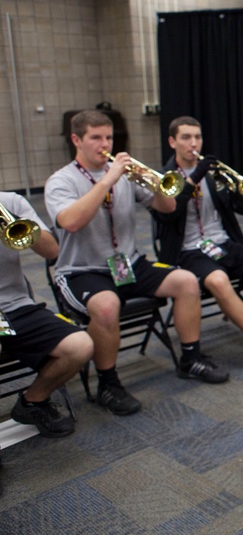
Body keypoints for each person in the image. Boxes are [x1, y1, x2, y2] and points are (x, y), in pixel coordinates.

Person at [45, 110, 228, 417]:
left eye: (109, 137)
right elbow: (71, 222)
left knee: (185, 281)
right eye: (96, 138)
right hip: (82, 270)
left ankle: (190, 358)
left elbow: (168, 207)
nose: (105, 144)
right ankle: (108, 383)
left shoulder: (123, 175)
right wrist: (110, 178)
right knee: (105, 307)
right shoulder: (60, 181)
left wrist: (154, 182)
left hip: (128, 263)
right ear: (76, 140)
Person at [154, 116, 243, 373]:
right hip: (188, 252)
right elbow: (168, 215)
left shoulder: (211, 172)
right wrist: (194, 178)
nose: (193, 143)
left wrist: (233, 187)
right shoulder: (164, 178)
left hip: (222, 243)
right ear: (172, 142)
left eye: (197, 137)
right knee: (218, 280)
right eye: (186, 137)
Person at [0, 192, 92, 437]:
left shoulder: (10, 202)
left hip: (14, 305)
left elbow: (52, 251)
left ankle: (33, 401)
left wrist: (15, 221)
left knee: (79, 345)